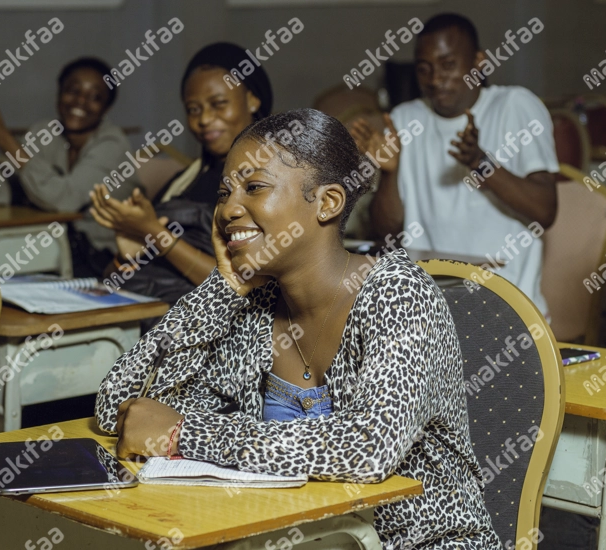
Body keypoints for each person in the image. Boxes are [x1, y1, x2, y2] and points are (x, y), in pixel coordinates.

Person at [96, 108, 500, 548]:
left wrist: (183, 433)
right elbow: (122, 409)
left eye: (254, 188)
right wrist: (224, 287)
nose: (229, 209)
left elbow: (368, 447)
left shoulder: (400, 295)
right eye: (225, 192)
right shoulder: (259, 309)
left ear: (327, 202)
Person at [350, 13, 558, 318]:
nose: (435, 80)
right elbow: (387, 231)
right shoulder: (405, 119)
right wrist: (391, 172)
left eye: (448, 65)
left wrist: (479, 162)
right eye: (424, 69)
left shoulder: (515, 106)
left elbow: (545, 210)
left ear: (479, 62)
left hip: (508, 308)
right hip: (428, 310)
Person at [90, 42, 272, 311]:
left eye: (219, 104)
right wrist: (125, 257)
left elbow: (245, 287)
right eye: (193, 109)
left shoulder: (269, 181)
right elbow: (113, 282)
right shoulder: (186, 179)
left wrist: (158, 235)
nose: (205, 119)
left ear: (252, 99)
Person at [0, 56, 141, 277]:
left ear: (106, 108)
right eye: (73, 90)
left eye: (95, 97)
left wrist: (2, 137)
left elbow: (65, 199)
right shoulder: (44, 133)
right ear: (59, 93)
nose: (80, 102)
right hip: (50, 248)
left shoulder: (113, 144)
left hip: (106, 260)